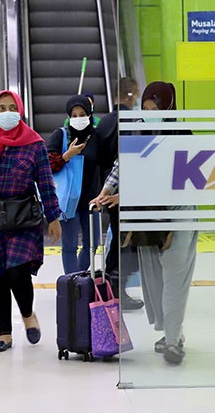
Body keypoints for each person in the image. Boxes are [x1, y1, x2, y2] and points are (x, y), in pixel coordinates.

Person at [0, 90, 62, 353]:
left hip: (22, 217)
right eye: (2, 108)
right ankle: (4, 334)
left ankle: (28, 314)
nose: (7, 113)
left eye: (12, 108)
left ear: (20, 111)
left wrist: (53, 217)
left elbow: (46, 183)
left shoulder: (35, 144)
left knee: (17, 272)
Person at [135, 81, 198, 365]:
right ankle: (172, 332)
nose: (149, 115)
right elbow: (124, 166)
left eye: (155, 109)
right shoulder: (138, 133)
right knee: (155, 279)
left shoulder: (182, 134)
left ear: (169, 107)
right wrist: (109, 190)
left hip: (179, 210)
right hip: (149, 212)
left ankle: (172, 340)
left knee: (174, 274)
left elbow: (193, 177)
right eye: (146, 109)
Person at [94, 77, 144, 309]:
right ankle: (116, 288)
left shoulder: (104, 123)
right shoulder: (134, 121)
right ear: (130, 95)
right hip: (128, 191)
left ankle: (114, 287)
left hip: (108, 189)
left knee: (119, 238)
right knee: (127, 242)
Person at [47, 95, 110, 274]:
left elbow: (106, 166)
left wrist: (104, 193)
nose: (78, 118)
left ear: (89, 114)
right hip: (69, 199)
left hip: (92, 199)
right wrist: (67, 155)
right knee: (70, 245)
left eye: (82, 114)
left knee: (93, 243)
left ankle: (79, 276)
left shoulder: (97, 137)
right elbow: (47, 165)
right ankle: (71, 282)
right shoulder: (61, 135)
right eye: (74, 115)